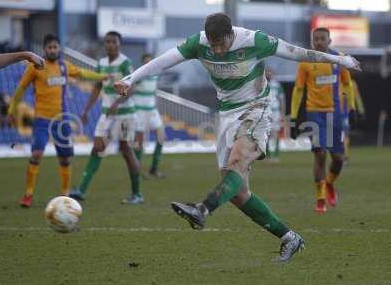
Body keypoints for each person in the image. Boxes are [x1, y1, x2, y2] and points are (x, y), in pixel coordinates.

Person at [114, 13, 360, 262]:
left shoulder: (254, 40)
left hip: (257, 107)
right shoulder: (198, 43)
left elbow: (297, 52)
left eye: (221, 43)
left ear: (231, 34)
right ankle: (289, 238)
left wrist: (339, 60)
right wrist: (131, 78)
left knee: (236, 165)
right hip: (227, 114)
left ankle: (202, 208)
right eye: (213, 44)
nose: (218, 50)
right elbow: (165, 61)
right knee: (238, 193)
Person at [8, 34, 107, 208]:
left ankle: (66, 195)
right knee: (36, 154)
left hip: (62, 121)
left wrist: (102, 76)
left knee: (66, 159)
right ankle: (28, 194)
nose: (53, 50)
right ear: (44, 49)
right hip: (41, 119)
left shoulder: (64, 66)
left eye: (55, 47)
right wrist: (12, 110)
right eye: (49, 47)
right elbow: (21, 88)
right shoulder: (35, 67)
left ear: (59, 48)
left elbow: (83, 73)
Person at [69, 31, 142, 204]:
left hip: (125, 114)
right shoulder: (101, 63)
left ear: (120, 44)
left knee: (126, 151)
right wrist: (86, 110)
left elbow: (132, 88)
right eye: (107, 41)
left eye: (113, 41)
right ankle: (81, 190)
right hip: (106, 114)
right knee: (97, 148)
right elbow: (97, 88)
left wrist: (117, 103)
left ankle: (137, 194)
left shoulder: (125, 63)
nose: (109, 44)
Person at [290, 27, 356, 214]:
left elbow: (347, 84)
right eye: (316, 39)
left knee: (338, 159)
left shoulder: (339, 60)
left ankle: (329, 183)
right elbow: (298, 90)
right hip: (314, 114)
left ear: (329, 40)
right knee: (319, 154)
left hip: (335, 114)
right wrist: (294, 117)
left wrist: (351, 108)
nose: (319, 42)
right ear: (312, 41)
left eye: (322, 38)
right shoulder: (306, 62)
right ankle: (320, 199)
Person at [133, 53, 166, 178]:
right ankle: (138, 172)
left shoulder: (155, 75)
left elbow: (154, 92)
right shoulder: (139, 75)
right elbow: (130, 88)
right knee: (139, 142)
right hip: (139, 111)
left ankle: (154, 169)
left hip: (152, 111)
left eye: (150, 62)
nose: (149, 64)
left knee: (161, 137)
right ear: (143, 63)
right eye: (146, 62)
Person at [265, 67, 285, 162]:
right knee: (266, 134)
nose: (268, 74)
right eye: (267, 72)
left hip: (275, 112)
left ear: (273, 74)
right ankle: (267, 155)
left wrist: (282, 113)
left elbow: (281, 99)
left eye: (270, 72)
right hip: (264, 112)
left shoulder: (277, 85)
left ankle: (276, 155)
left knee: (275, 132)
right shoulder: (261, 85)